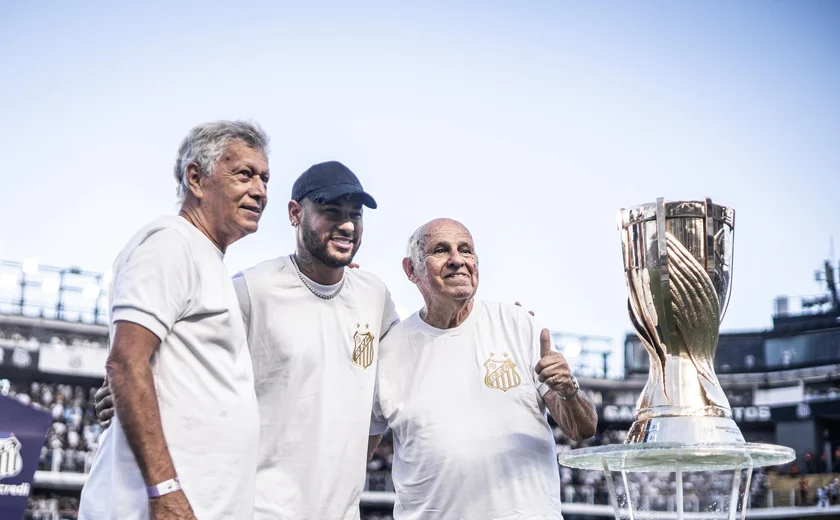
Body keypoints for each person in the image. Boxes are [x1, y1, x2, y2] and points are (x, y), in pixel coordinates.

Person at [95, 161, 399, 520]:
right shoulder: (251, 290)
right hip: (259, 508)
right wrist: (115, 389)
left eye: (355, 215)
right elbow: (172, 360)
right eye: (331, 212)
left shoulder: (374, 295)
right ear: (295, 213)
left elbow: (391, 385)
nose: (346, 225)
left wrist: (350, 464)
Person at [79, 120, 271, 520]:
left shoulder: (206, 257)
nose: (260, 190)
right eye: (244, 174)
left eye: (265, 179)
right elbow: (125, 362)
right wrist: (164, 490)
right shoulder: (171, 242)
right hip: (160, 506)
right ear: (196, 179)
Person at [369, 218, 598, 519]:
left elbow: (581, 429)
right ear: (411, 269)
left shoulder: (518, 324)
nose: (457, 260)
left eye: (466, 250)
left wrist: (568, 392)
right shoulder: (388, 351)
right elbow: (357, 455)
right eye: (441, 250)